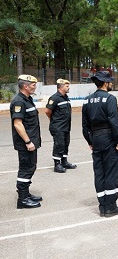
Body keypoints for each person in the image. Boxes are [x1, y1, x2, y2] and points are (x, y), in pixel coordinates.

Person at [82, 71, 118, 217]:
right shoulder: (109, 99)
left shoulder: (87, 100)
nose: (111, 84)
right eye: (110, 82)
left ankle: (102, 206)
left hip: (95, 138)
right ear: (105, 83)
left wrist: (90, 141)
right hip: (108, 137)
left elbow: (84, 126)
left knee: (99, 172)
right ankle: (111, 206)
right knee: (111, 171)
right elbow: (114, 122)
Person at [10, 74, 42, 209]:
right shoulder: (19, 101)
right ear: (25, 86)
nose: (35, 87)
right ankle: (22, 200)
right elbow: (18, 124)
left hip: (31, 142)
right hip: (26, 144)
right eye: (33, 85)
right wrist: (28, 141)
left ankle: (26, 194)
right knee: (26, 169)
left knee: (30, 167)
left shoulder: (27, 99)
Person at [45, 78, 77, 173]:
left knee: (65, 144)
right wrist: (52, 118)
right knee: (59, 144)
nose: (68, 88)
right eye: (67, 86)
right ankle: (57, 164)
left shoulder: (65, 97)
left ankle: (64, 161)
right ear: (61, 87)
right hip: (58, 127)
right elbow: (47, 111)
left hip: (66, 126)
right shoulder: (54, 98)